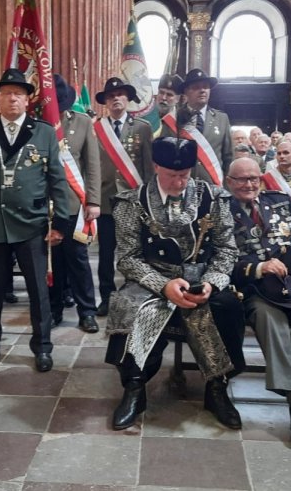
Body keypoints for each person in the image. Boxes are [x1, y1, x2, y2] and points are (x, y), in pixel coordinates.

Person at [106, 137, 244, 430]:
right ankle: (134, 388)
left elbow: (227, 249)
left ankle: (217, 389)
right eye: (171, 175)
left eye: (185, 175)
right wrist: (163, 285)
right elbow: (128, 258)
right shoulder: (132, 202)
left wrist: (211, 282)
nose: (180, 182)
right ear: (156, 166)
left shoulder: (214, 198)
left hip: (201, 277)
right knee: (128, 305)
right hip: (152, 277)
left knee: (226, 306)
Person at [0, 68, 70, 372]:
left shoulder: (45, 132)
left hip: (32, 224)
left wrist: (61, 222)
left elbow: (57, 180)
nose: (12, 98)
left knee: (39, 291)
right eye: (7, 93)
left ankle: (42, 347)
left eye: (19, 94)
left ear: (28, 100)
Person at [227, 158, 291, 440]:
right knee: (271, 323)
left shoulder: (281, 202)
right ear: (229, 182)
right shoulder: (221, 212)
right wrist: (258, 269)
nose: (248, 184)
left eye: (253, 179)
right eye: (241, 180)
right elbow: (216, 259)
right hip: (255, 286)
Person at [94, 76, 152, 317]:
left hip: (133, 200)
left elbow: (148, 166)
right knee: (106, 253)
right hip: (106, 201)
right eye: (111, 96)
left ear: (128, 99)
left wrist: (149, 199)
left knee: (133, 252)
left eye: (120, 94)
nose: (116, 98)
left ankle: (133, 294)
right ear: (106, 102)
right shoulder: (96, 128)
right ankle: (106, 297)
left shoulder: (142, 128)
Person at [49, 73, 101, 332]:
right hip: (44, 205)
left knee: (78, 259)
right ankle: (53, 309)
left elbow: (92, 165)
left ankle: (87, 311)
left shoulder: (80, 122)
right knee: (51, 261)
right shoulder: (37, 122)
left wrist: (93, 201)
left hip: (73, 204)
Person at [166, 68, 232, 185]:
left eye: (205, 87)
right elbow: (165, 159)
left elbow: (228, 158)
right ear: (186, 91)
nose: (202, 90)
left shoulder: (222, 119)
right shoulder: (173, 120)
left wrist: (226, 191)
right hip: (181, 187)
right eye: (196, 87)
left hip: (214, 187)